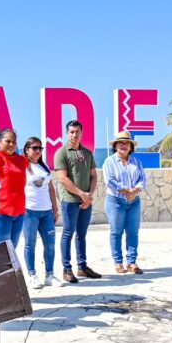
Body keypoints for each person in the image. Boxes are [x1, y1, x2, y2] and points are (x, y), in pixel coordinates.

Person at [53, 120, 102, 284]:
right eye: (71, 132)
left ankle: (82, 267)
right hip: (70, 200)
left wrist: (89, 195)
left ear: (82, 133)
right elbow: (62, 178)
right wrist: (82, 194)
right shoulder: (61, 153)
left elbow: (94, 176)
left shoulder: (87, 153)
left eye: (77, 132)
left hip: (85, 201)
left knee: (82, 234)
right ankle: (67, 269)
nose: (74, 135)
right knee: (68, 233)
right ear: (67, 133)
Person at [22, 137, 65, 289]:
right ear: (27, 149)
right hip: (29, 211)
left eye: (40, 148)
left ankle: (50, 275)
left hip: (46, 212)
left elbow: (51, 188)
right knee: (30, 244)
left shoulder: (44, 166)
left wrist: (54, 208)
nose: (38, 151)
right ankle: (32, 275)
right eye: (35, 148)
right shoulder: (23, 166)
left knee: (50, 244)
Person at [103, 131, 147, 274]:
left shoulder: (136, 162)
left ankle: (132, 262)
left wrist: (135, 190)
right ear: (115, 146)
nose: (123, 145)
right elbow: (109, 180)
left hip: (134, 201)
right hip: (115, 201)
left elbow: (142, 178)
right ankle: (118, 262)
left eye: (126, 143)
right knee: (116, 232)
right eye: (120, 143)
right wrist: (125, 191)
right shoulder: (109, 161)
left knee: (133, 232)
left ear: (131, 146)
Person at [0, 129, 28, 248]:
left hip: (19, 213)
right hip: (0, 213)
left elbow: (22, 182)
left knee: (11, 253)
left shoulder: (21, 160)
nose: (11, 144)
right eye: (8, 141)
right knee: (0, 255)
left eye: (14, 142)